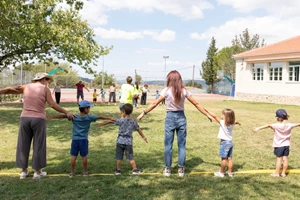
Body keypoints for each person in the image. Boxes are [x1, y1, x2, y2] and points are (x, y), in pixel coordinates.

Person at [137, 70, 215, 177]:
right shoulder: (184, 91)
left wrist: (143, 113)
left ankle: (168, 169)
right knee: (181, 145)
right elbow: (196, 104)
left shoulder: (166, 91)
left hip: (170, 118)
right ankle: (181, 169)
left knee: (168, 145)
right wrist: (207, 114)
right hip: (181, 117)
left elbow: (155, 103)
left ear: (170, 79)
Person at [0, 72, 74, 179]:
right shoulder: (45, 89)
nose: (48, 83)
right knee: (39, 144)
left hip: (24, 118)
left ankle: (24, 172)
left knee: (23, 143)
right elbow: (52, 104)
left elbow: (8, 90)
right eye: (47, 80)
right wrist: (66, 112)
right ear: (43, 79)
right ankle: (37, 172)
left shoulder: (26, 87)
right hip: (38, 119)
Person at [47, 100, 113, 177]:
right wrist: (110, 118)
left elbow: (64, 116)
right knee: (84, 156)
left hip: (75, 140)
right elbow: (100, 117)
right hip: (83, 140)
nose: (89, 109)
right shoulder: (89, 117)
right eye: (89, 108)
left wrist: (53, 117)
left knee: (73, 156)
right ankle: (84, 172)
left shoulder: (74, 117)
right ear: (85, 109)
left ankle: (72, 172)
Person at [96, 103, 148, 175]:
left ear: (123, 112)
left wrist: (101, 124)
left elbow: (111, 121)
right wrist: (143, 137)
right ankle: (135, 170)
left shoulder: (120, 120)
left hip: (120, 141)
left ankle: (118, 170)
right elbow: (138, 129)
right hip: (128, 142)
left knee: (119, 157)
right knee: (130, 157)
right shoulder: (133, 121)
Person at [253, 109, 300, 177]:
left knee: (279, 159)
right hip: (286, 145)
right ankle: (283, 173)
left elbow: (268, 125)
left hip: (279, 145)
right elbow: (298, 124)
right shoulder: (290, 125)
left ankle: (277, 174)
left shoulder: (276, 125)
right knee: (285, 159)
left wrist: (258, 128)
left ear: (278, 118)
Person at [210, 109, 241, 178]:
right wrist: (237, 122)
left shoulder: (223, 122)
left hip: (224, 143)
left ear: (226, 116)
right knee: (229, 158)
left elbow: (215, 116)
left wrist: (206, 111)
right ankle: (230, 172)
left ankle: (221, 173)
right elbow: (234, 122)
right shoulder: (232, 123)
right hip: (230, 142)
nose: (221, 115)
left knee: (223, 159)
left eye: (222, 114)